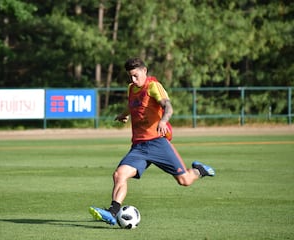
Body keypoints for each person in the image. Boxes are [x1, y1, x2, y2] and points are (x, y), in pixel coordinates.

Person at [89, 57, 215, 225]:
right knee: (119, 174)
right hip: (139, 146)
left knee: (184, 180)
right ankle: (113, 212)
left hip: (157, 142)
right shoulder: (131, 89)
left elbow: (168, 106)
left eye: (136, 75)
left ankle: (199, 170)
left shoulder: (153, 86)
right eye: (130, 76)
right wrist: (124, 114)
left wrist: (163, 120)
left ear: (145, 71)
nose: (133, 80)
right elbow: (132, 104)